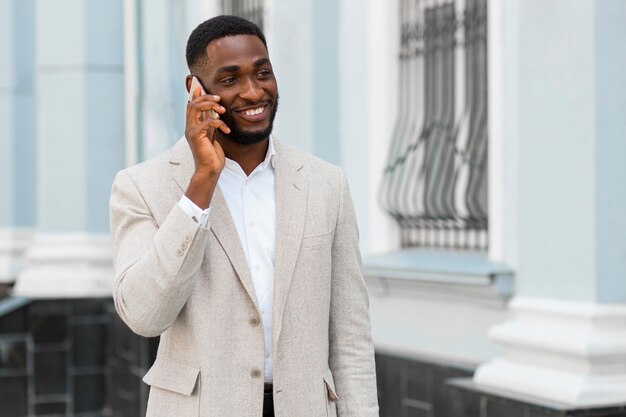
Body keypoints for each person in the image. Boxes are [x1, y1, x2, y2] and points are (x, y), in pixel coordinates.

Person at [109, 15, 378, 417]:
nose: (254, 92)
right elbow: (145, 315)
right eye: (230, 79)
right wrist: (201, 183)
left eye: (262, 73)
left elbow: (350, 336)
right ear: (195, 90)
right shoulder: (141, 187)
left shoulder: (327, 184)